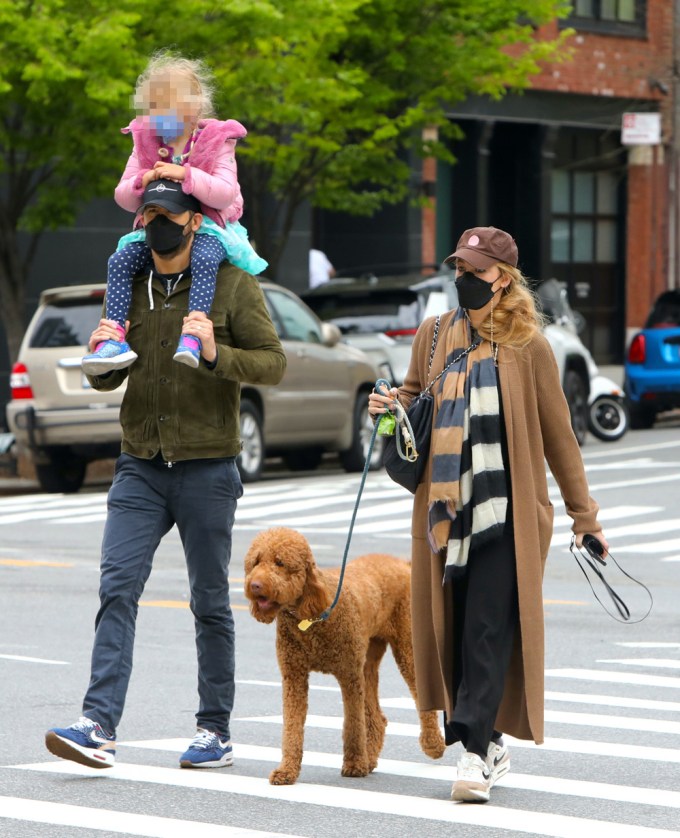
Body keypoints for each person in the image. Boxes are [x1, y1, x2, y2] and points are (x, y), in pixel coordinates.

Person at [46, 180, 286, 771]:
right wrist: (100, 358)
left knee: (208, 602)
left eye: (168, 214)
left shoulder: (230, 284)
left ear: (193, 222)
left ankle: (215, 731)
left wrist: (214, 355)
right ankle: (97, 722)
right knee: (117, 587)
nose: (157, 222)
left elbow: (273, 362)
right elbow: (110, 376)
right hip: (140, 466)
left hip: (207, 465)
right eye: (148, 212)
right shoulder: (129, 283)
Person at [368, 226, 608, 804]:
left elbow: (560, 439)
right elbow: (410, 398)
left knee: (486, 627)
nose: (464, 280)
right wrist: (388, 405)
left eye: (476, 271)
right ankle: (491, 740)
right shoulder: (433, 336)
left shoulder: (529, 345)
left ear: (503, 278)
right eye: (460, 268)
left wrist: (585, 517)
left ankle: (473, 754)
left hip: (509, 515)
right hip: (446, 510)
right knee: (452, 631)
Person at [82, 51, 267, 375]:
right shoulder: (145, 142)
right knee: (119, 260)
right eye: (151, 107)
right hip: (155, 222)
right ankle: (113, 338)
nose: (156, 116)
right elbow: (123, 197)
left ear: (193, 107)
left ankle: (194, 333)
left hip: (208, 226)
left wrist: (186, 175)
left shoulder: (215, 141)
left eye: (164, 106)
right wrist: (145, 178)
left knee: (206, 258)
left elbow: (224, 193)